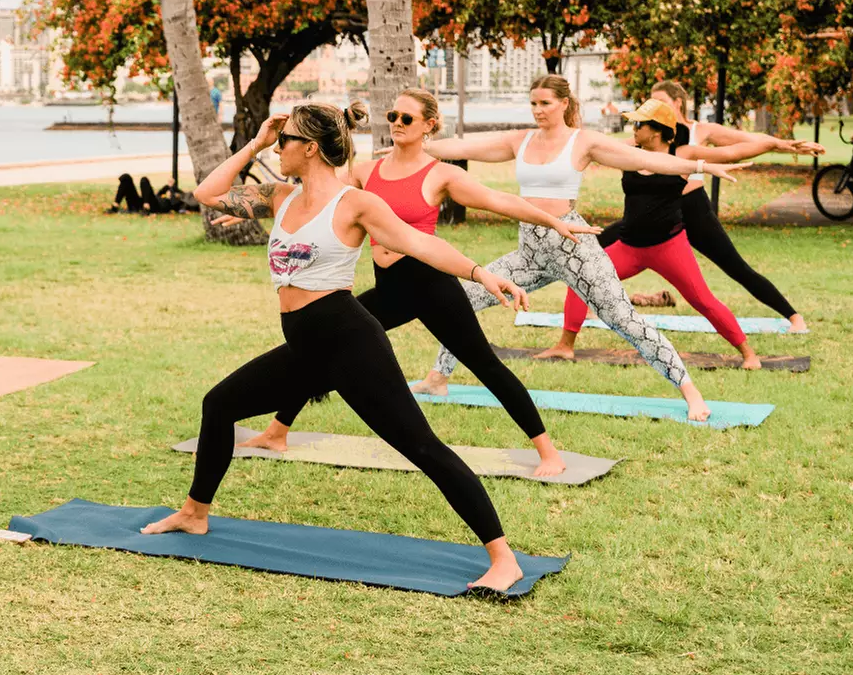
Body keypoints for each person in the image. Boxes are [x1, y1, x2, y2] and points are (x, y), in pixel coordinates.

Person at [143, 101, 535, 593]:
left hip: (349, 341)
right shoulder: (280, 195)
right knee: (219, 405)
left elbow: (421, 244)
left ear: (309, 148)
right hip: (304, 344)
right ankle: (194, 513)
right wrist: (258, 142)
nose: (279, 147)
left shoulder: (354, 204)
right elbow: (207, 192)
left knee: (419, 445)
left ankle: (503, 557)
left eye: (285, 140)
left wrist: (482, 274)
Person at [226, 88, 600, 477]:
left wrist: (555, 221)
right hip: (389, 286)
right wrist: (253, 207)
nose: (397, 125)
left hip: (430, 285)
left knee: (484, 363)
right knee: (318, 350)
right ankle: (277, 431)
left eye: (406, 118)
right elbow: (315, 195)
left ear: (429, 126)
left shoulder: (440, 173)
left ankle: (548, 452)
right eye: (392, 117)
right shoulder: (366, 171)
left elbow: (498, 200)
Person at [412, 75, 748, 422]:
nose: (538, 110)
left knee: (624, 320)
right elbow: (462, 148)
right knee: (462, 300)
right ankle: (438, 378)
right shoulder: (521, 141)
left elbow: (645, 161)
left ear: (564, 104)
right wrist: (414, 146)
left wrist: (700, 166)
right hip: (530, 252)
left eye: (545, 103)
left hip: (575, 249)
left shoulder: (582, 142)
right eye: (533, 103)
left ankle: (690, 392)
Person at [540, 97, 801, 368]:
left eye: (638, 124)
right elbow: (584, 143)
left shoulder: (683, 154)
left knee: (703, 300)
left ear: (656, 130)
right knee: (580, 276)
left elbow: (732, 153)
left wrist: (777, 144)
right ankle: (565, 346)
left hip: (669, 247)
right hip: (629, 247)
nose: (633, 128)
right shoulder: (629, 151)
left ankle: (749, 354)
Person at [600, 81, 822, 330]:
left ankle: (793, 316)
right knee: (594, 246)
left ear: (677, 103)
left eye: (661, 101)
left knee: (735, 266)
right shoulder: (644, 136)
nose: (654, 107)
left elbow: (742, 145)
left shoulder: (700, 131)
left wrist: (783, 144)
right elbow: (601, 147)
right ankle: (578, 300)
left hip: (693, 208)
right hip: (656, 213)